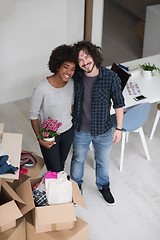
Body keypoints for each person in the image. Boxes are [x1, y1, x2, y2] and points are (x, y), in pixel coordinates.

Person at [70, 41, 125, 205]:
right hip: (81, 129)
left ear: (94, 56)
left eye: (86, 56)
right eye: (80, 60)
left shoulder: (110, 77)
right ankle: (75, 187)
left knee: (102, 161)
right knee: (78, 159)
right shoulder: (77, 77)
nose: (84, 62)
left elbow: (119, 104)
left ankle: (103, 186)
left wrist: (119, 129)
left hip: (103, 130)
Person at [30, 44, 76, 172]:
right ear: (57, 66)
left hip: (68, 131)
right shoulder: (42, 88)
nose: (69, 72)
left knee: (60, 165)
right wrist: (40, 138)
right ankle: (52, 188)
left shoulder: (72, 84)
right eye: (66, 67)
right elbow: (33, 116)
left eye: (72, 69)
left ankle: (56, 187)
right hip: (49, 135)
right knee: (53, 169)